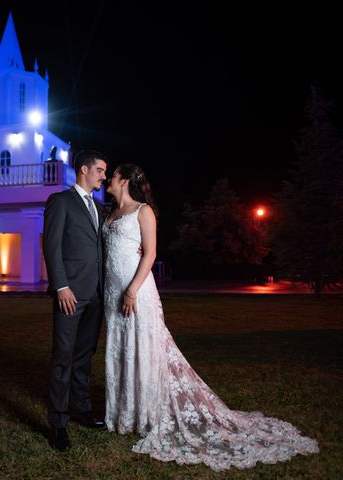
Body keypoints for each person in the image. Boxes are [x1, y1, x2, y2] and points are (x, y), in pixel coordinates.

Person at [102, 164, 319, 471]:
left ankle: (146, 413)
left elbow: (149, 254)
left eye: (112, 175)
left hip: (135, 292)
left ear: (123, 181)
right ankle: (122, 412)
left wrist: (132, 290)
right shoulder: (109, 213)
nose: (108, 178)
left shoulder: (143, 211)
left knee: (143, 349)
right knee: (119, 350)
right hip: (112, 292)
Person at [43, 150, 108, 451]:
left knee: (84, 356)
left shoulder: (99, 207)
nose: (104, 176)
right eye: (100, 170)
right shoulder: (61, 201)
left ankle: (82, 410)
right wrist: (61, 287)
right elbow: (51, 247)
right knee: (63, 357)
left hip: (95, 295)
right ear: (84, 169)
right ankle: (58, 423)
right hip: (70, 295)